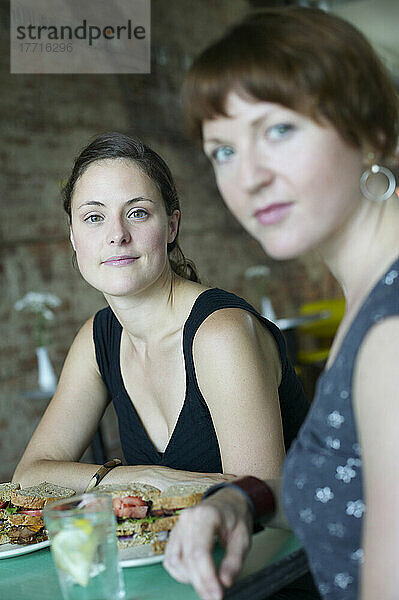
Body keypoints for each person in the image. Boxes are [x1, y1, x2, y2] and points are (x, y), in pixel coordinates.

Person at [164, 7, 399, 600]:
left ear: (373, 131)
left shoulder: (392, 334)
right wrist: (245, 501)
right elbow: (354, 486)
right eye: (223, 151)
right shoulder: (372, 298)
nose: (249, 177)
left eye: (278, 130)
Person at [13, 132, 308, 493]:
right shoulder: (97, 339)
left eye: (137, 213)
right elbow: (28, 477)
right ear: (73, 237)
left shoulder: (221, 334)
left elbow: (262, 501)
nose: (117, 235)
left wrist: (144, 486)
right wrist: (142, 478)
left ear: (171, 226)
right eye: (93, 217)